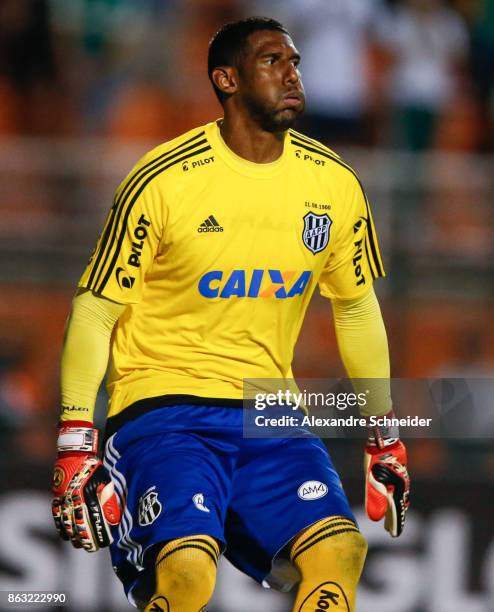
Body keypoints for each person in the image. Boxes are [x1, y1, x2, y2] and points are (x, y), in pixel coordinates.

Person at [51, 17, 410, 612]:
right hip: (162, 409)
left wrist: (384, 432)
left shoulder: (336, 182)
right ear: (227, 79)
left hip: (269, 410)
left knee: (342, 551)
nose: (293, 74)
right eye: (273, 62)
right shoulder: (163, 179)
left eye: (294, 61)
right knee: (189, 571)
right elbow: (95, 309)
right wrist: (75, 439)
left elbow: (355, 308)